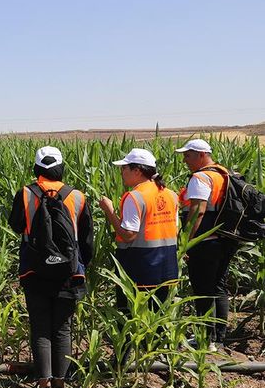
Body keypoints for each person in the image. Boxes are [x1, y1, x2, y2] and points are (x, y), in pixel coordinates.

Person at [8, 147, 94, 388]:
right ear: (61, 167)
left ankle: (43, 386)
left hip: (35, 270)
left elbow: (15, 225)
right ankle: (61, 387)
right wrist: (79, 266)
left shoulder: (25, 193)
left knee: (41, 327)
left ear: (37, 168)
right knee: (62, 329)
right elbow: (88, 240)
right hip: (69, 273)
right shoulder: (77, 197)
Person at [99, 148, 179, 318]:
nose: (122, 173)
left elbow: (129, 235)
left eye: (124, 168)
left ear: (137, 171)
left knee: (132, 317)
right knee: (158, 317)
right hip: (167, 267)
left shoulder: (135, 197)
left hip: (141, 267)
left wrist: (109, 211)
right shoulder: (171, 195)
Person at [176, 139, 237, 351]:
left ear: (201, 154)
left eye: (188, 155)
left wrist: (186, 242)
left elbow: (198, 211)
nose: (184, 160)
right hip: (225, 239)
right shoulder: (223, 174)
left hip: (205, 242)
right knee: (218, 287)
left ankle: (205, 337)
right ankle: (219, 338)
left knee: (202, 289)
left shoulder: (200, 177)